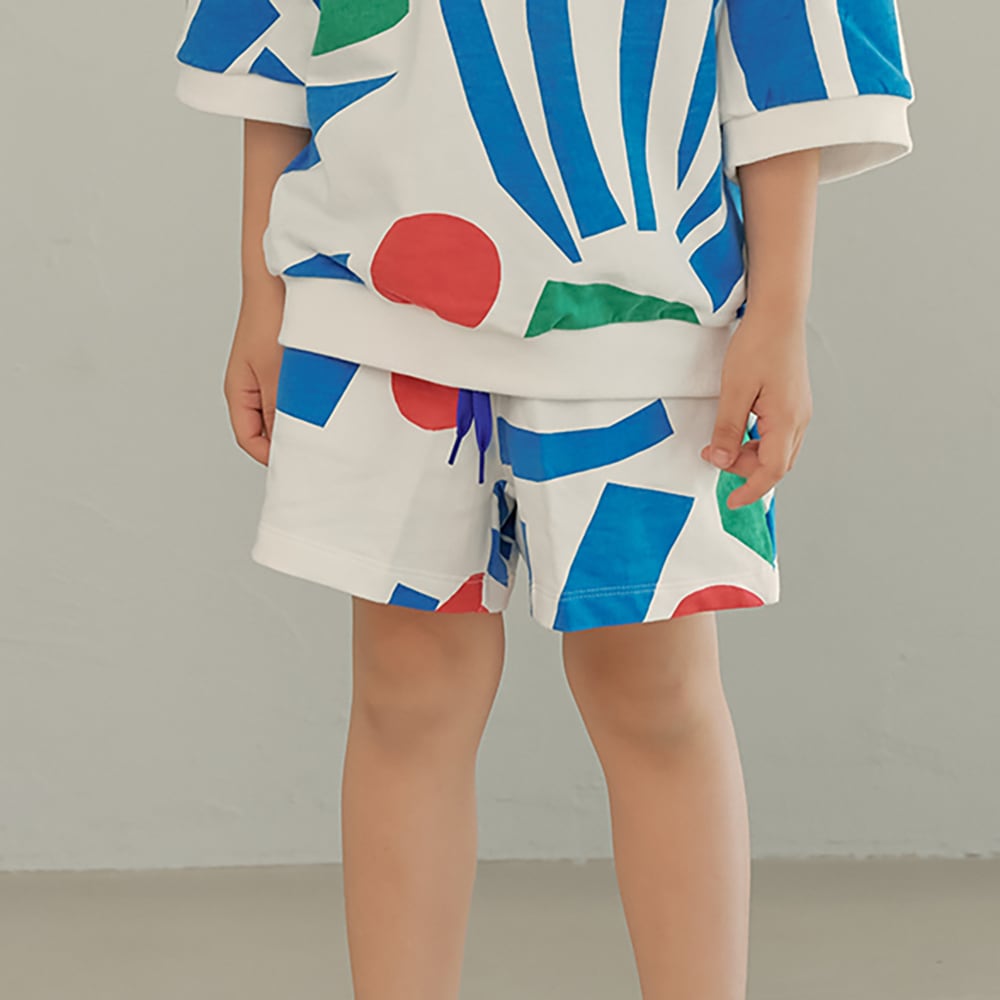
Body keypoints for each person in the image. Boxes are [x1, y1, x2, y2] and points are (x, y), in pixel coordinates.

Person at [173, 2, 914, 997]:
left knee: (654, 692)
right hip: (367, 287)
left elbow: (788, 34)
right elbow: (283, 28)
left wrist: (779, 312)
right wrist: (262, 292)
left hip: (650, 302)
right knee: (405, 689)